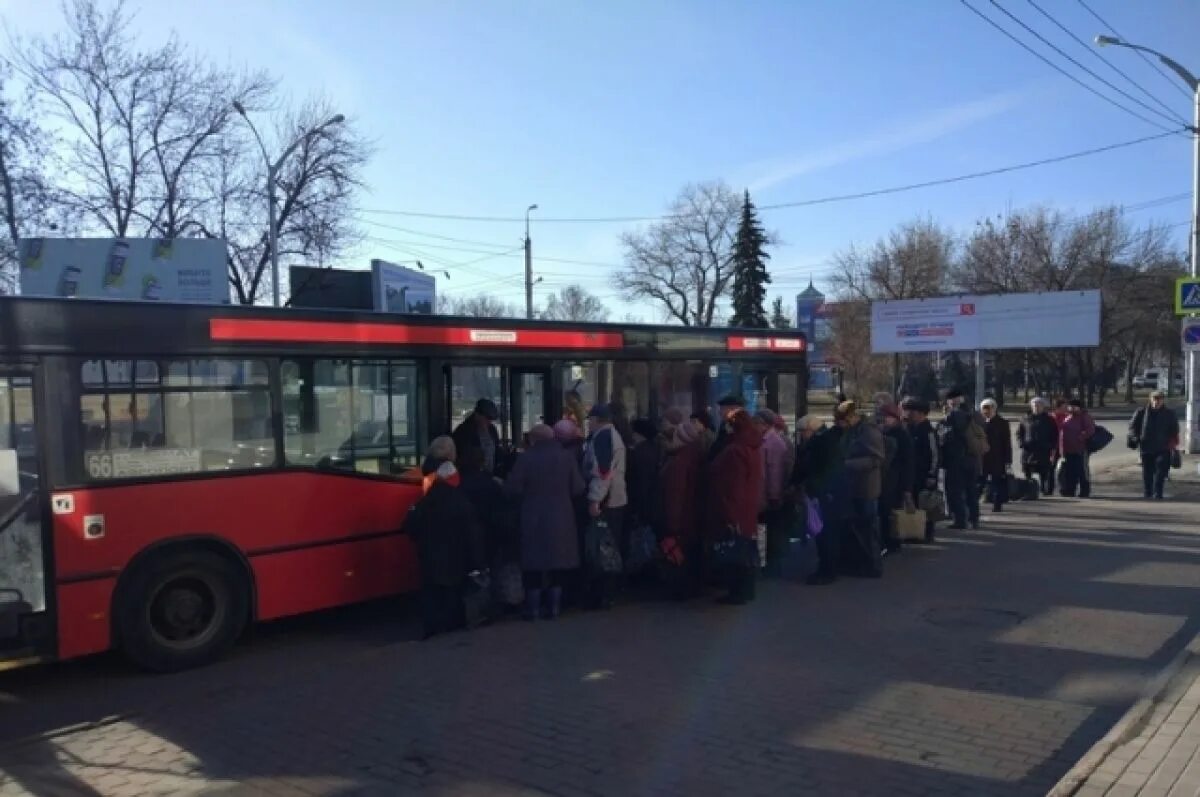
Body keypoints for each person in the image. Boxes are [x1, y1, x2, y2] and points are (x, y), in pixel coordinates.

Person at [504, 424, 586, 620]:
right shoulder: (566, 457)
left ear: (533, 439)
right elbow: (578, 488)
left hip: (532, 517)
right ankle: (554, 608)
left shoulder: (525, 459)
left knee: (533, 565)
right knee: (558, 565)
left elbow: (512, 489)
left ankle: (532, 609)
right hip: (562, 518)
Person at [406, 436, 483, 639]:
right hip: (455, 557)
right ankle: (450, 627)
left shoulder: (425, 500)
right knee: (451, 593)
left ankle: (431, 629)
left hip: (429, 555)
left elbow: (410, 526)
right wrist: (477, 562)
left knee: (431, 592)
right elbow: (471, 535)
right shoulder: (461, 503)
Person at [709, 409, 765, 604]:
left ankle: (738, 592)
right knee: (747, 549)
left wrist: (731, 516)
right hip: (749, 506)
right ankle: (746, 590)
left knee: (736, 552)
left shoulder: (735, 450)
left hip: (736, 508)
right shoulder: (754, 447)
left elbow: (733, 486)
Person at [582, 403, 628, 609]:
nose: (588, 424)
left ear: (597, 420)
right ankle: (608, 592)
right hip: (614, 498)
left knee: (603, 549)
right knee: (609, 546)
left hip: (607, 501)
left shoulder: (603, 438)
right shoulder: (611, 436)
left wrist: (594, 500)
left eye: (589, 420)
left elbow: (603, 472)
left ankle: (603, 594)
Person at [836, 401, 886, 578]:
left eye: (843, 419)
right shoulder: (851, 431)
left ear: (851, 416)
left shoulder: (868, 431)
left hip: (866, 487)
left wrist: (847, 464)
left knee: (868, 527)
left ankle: (873, 565)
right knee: (855, 527)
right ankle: (857, 563)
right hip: (852, 486)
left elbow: (876, 459)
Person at [660, 414, 705, 596]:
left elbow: (675, 494)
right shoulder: (697, 456)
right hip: (693, 516)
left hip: (682, 519)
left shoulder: (679, 461)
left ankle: (681, 589)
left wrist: (672, 523)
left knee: (679, 554)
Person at [754, 409, 790, 576]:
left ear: (765, 424)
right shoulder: (768, 440)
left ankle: (772, 565)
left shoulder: (773, 442)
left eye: (758, 423)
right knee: (767, 529)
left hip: (769, 496)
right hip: (765, 493)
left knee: (771, 530)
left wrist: (774, 495)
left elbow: (775, 472)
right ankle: (768, 562)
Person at [939, 389, 982, 530]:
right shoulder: (974, 414)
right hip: (972, 458)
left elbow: (947, 438)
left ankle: (959, 520)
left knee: (955, 491)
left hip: (956, 459)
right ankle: (974, 518)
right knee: (971, 490)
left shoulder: (952, 416)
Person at [1129, 390, 1180, 500]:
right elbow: (1132, 427)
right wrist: (1136, 438)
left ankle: (1158, 493)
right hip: (1146, 447)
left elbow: (1174, 430)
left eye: (1159, 399)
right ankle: (1148, 492)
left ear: (1162, 400)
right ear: (1150, 399)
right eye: (1154, 399)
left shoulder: (1169, 414)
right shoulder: (1141, 412)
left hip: (1163, 448)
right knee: (1147, 472)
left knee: (1160, 471)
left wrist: (1173, 444)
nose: (1156, 402)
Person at [878, 404, 914, 554]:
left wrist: (907, 488)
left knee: (890, 512)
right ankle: (888, 541)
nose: (883, 420)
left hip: (896, 480)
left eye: (886, 417)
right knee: (885, 512)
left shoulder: (901, 435)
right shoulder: (884, 433)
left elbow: (908, 462)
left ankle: (892, 542)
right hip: (886, 480)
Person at [901, 397, 939, 542]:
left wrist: (932, 474)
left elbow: (935, 455)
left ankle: (927, 533)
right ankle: (913, 531)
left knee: (926, 505)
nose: (908, 414)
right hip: (911, 474)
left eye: (912, 411)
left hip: (925, 474)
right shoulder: (907, 429)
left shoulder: (928, 431)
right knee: (912, 504)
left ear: (921, 413)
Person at [626, 418, 662, 532]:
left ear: (639, 434)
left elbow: (640, 482)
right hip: (654, 503)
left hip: (642, 505)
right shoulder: (656, 448)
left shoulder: (638, 453)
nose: (632, 436)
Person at [1018, 397, 1058, 497]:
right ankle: (1028, 490)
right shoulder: (1025, 418)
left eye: (1038, 405)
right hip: (1028, 450)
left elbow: (1055, 434)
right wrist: (1021, 443)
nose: (1036, 407)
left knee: (1044, 471)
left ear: (1043, 407)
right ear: (1031, 406)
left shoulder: (1049, 420)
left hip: (1043, 450)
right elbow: (1020, 433)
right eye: (1034, 405)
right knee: (1027, 470)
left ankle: (1044, 489)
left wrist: (1051, 446)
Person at [979, 399, 1013, 512]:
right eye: (984, 409)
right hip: (982, 457)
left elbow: (1007, 443)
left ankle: (997, 504)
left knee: (997, 482)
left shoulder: (1002, 423)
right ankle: (975, 504)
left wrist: (1008, 460)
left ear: (994, 409)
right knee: (980, 482)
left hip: (997, 458)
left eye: (989, 408)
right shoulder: (980, 423)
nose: (986, 411)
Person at [452, 398, 501, 475]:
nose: (489, 422)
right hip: (470, 476)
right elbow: (462, 457)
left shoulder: (492, 430)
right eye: (487, 418)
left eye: (491, 419)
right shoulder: (463, 432)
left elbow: (497, 450)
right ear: (477, 415)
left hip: (490, 474)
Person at [1059, 399, 1095, 497]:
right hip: (1068, 449)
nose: (1071, 408)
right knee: (1070, 471)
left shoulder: (1084, 417)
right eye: (1070, 406)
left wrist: (1081, 437)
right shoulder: (1067, 417)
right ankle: (1070, 490)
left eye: (1074, 406)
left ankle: (1085, 491)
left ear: (1079, 407)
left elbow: (1090, 429)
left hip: (1080, 449)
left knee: (1082, 471)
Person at [707, 394, 747, 462]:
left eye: (722, 409)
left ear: (733, 409)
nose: (719, 412)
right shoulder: (724, 425)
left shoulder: (740, 428)